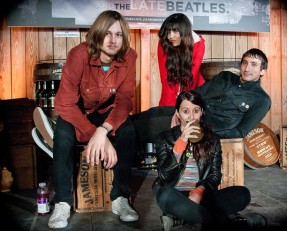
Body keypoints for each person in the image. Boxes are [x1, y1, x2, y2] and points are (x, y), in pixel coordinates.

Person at [37, 10, 139, 229]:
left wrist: (104, 131)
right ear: (97, 34)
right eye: (108, 33)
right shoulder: (79, 55)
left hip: (106, 111)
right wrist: (96, 134)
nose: (113, 40)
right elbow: (64, 104)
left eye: (119, 35)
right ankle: (63, 202)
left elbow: (124, 101)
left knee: (128, 131)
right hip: (75, 110)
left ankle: (120, 198)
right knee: (63, 138)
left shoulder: (130, 57)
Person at [153, 90, 268, 231]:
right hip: (177, 194)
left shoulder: (212, 139)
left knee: (242, 194)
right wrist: (181, 142)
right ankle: (232, 224)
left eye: (196, 111)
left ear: (201, 112)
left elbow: (215, 175)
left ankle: (183, 218)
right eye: (185, 111)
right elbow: (164, 175)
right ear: (177, 113)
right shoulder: (164, 138)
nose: (191, 116)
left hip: (202, 196)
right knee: (164, 195)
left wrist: (200, 190)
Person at [171, 48, 271, 139]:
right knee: (156, 112)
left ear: (262, 71)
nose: (247, 68)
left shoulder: (262, 100)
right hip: (190, 117)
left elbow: (240, 132)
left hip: (206, 134)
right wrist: (176, 113)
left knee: (157, 123)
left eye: (254, 64)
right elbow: (195, 95)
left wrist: (207, 137)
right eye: (245, 63)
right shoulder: (225, 76)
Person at [157, 13, 205, 106]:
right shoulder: (164, 44)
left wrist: (183, 106)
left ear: (184, 31)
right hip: (171, 90)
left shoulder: (198, 44)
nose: (170, 36)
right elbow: (166, 79)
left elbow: (192, 77)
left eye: (175, 31)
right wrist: (169, 108)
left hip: (194, 89)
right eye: (168, 32)